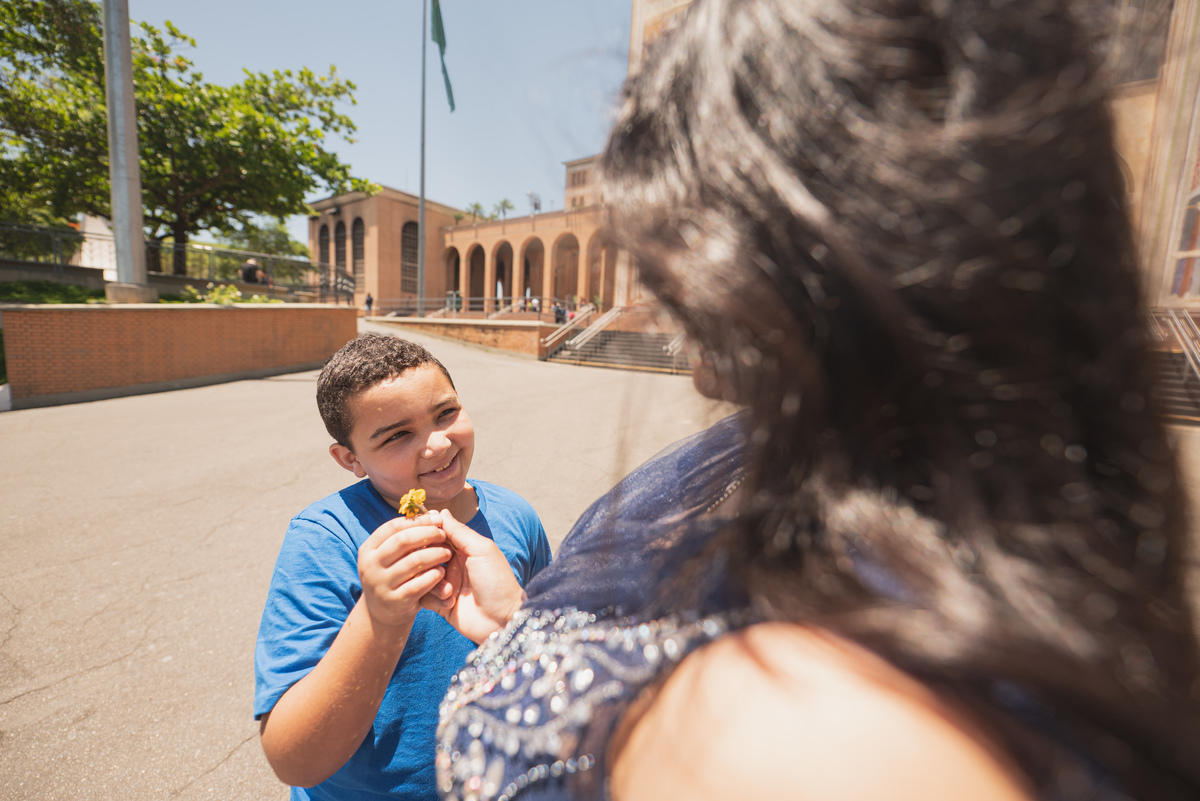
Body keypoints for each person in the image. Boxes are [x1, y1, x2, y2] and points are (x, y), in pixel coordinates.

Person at [427, 1, 1200, 800]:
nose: (698, 367)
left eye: (691, 286)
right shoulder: (999, 511)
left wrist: (528, 664)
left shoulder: (845, 737)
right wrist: (520, 623)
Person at [254, 334, 552, 800]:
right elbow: (294, 759)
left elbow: (554, 664)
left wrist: (515, 624)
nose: (437, 444)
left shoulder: (515, 516)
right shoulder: (325, 540)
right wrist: (381, 616)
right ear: (349, 458)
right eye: (396, 436)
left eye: (446, 413)